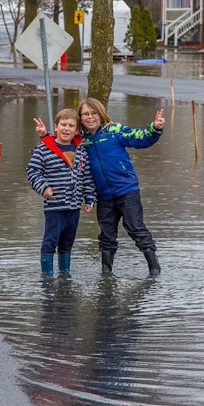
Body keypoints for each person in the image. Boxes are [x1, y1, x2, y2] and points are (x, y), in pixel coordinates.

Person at [37, 98, 165, 276]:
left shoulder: (115, 131)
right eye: (85, 114)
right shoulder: (81, 140)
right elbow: (59, 143)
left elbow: (140, 139)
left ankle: (154, 270)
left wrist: (155, 128)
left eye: (93, 113)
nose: (90, 117)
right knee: (106, 235)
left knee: (135, 228)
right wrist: (44, 136)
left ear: (101, 114)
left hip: (126, 190)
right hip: (103, 195)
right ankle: (106, 273)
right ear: (81, 119)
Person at [26, 108, 95, 277]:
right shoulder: (44, 149)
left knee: (67, 242)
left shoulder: (81, 150)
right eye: (63, 124)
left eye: (71, 126)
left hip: (74, 206)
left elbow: (86, 176)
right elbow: (32, 171)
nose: (67, 128)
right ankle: (47, 275)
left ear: (77, 130)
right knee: (50, 241)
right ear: (56, 126)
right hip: (54, 205)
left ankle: (65, 273)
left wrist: (90, 198)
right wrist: (43, 188)